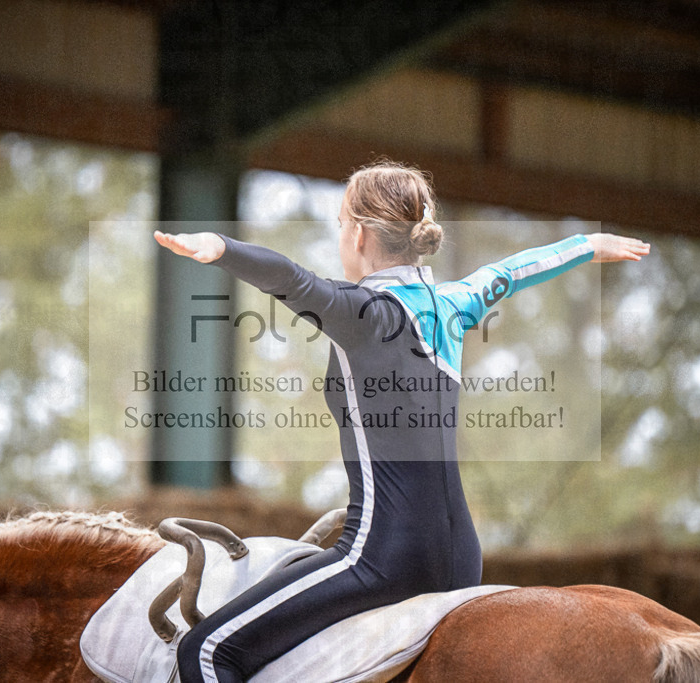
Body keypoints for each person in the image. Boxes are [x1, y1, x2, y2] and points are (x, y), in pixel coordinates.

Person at [154, 160, 649, 683]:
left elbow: (291, 278)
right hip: (461, 557)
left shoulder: (363, 312)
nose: (341, 236)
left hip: (383, 555)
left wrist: (221, 248)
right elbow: (513, 270)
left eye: (342, 223)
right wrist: (588, 247)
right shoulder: (455, 305)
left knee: (205, 652)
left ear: (361, 233)